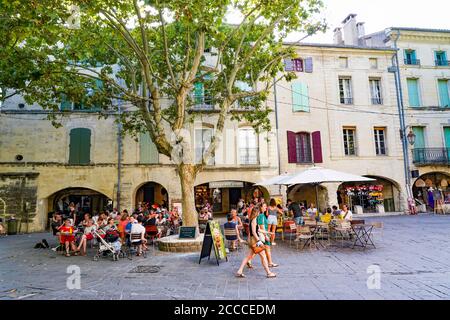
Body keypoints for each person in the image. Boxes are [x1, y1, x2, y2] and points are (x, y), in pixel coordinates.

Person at [236, 207, 276, 278]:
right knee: (263, 256)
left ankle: (239, 271)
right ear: (256, 212)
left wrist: (268, 232)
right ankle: (268, 273)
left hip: (252, 240)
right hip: (255, 241)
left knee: (248, 256)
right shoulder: (254, 220)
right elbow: (254, 232)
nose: (259, 213)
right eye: (258, 212)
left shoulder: (253, 220)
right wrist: (259, 241)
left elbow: (259, 230)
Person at [257, 203, 278, 268]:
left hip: (264, 234)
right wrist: (266, 235)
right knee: (257, 250)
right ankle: (270, 263)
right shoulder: (261, 216)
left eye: (266, 206)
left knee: (265, 249)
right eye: (264, 206)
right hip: (263, 235)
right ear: (261, 207)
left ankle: (270, 262)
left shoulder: (262, 215)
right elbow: (261, 226)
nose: (266, 207)